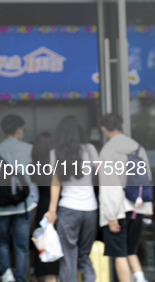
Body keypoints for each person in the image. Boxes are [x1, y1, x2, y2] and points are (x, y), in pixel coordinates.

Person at [44, 115, 99, 282]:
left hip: (68, 209)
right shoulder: (90, 149)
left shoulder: (55, 153)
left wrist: (52, 211)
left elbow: (55, 184)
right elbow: (101, 175)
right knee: (84, 255)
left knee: (68, 256)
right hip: (90, 209)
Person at [99, 112, 152, 282]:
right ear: (122, 126)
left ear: (103, 129)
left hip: (119, 209)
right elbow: (146, 179)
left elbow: (110, 186)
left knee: (119, 253)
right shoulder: (137, 148)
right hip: (138, 206)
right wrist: (145, 207)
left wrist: (111, 216)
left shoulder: (107, 151)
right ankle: (140, 278)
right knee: (131, 250)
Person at [0, 114, 38, 282]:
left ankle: (7, 275)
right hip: (23, 204)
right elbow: (33, 177)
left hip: (0, 205)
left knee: (2, 242)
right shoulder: (28, 149)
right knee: (21, 246)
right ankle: (21, 279)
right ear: (19, 130)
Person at [30, 132, 59, 282]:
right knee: (58, 249)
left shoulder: (34, 166)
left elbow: (34, 191)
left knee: (45, 249)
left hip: (42, 208)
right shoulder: (59, 164)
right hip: (58, 208)